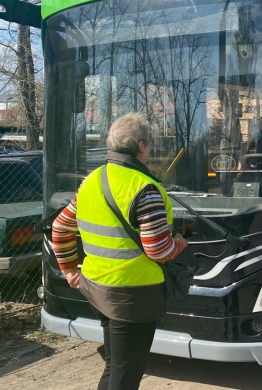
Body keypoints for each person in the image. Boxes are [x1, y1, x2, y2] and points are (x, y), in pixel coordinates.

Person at [51, 113, 188, 390]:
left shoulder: (92, 180)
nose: (150, 149)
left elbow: (60, 227)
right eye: (150, 144)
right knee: (126, 374)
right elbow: (159, 250)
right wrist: (180, 244)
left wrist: (68, 271)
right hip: (132, 295)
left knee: (115, 366)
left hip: (96, 289)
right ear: (141, 146)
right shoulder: (144, 188)